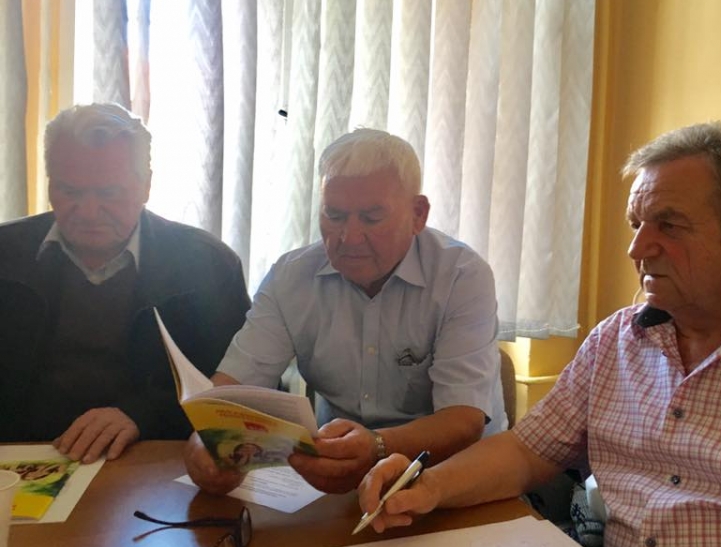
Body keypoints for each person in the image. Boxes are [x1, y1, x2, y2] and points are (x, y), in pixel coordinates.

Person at [358, 122, 721, 547]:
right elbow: (527, 452)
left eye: (669, 225)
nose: (638, 248)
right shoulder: (617, 339)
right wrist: (428, 486)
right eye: (636, 224)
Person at [184, 128, 507, 495]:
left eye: (372, 218)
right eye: (334, 215)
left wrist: (377, 447)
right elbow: (231, 391)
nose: (349, 238)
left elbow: (463, 420)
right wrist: (206, 441)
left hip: (454, 476)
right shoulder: (292, 277)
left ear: (418, 214)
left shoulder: (461, 276)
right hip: (337, 477)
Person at [0, 103, 251, 464]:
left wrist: (141, 415)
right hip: (21, 461)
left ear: (146, 185)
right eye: (70, 191)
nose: (88, 212)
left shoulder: (207, 265)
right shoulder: (6, 255)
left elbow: (236, 394)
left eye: (108, 193)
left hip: (151, 459)